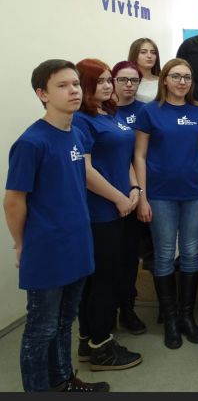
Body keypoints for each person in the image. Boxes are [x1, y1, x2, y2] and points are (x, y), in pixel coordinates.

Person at [3, 59, 109, 391]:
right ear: (42, 94)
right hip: (46, 250)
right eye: (62, 86)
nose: (73, 90)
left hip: (77, 244)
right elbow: (13, 201)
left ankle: (64, 381)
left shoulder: (76, 133)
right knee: (41, 329)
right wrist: (21, 244)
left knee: (65, 323)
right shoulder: (32, 142)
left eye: (75, 83)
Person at [133, 58, 198, 349]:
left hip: (195, 193)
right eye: (176, 76)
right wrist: (142, 196)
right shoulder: (149, 111)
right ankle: (170, 319)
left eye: (187, 77)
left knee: (191, 252)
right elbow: (139, 156)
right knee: (165, 254)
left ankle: (186, 316)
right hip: (160, 195)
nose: (182, 82)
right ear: (165, 80)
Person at [72, 58, 143, 371]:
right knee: (102, 280)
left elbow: (123, 157)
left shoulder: (110, 113)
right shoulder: (81, 120)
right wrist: (119, 199)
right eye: (99, 80)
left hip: (122, 206)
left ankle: (88, 340)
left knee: (108, 275)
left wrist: (135, 188)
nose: (107, 85)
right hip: (100, 211)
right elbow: (86, 171)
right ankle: (100, 346)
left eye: (107, 79)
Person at [111, 60, 148, 335]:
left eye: (134, 80)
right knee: (107, 257)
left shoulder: (145, 110)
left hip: (137, 191)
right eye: (122, 79)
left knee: (129, 255)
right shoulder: (102, 111)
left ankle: (127, 308)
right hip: (106, 192)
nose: (128, 85)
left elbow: (141, 155)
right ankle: (103, 313)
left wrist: (139, 192)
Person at [128, 37, 162, 103]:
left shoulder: (163, 81)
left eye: (153, 52)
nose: (149, 56)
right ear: (134, 55)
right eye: (143, 52)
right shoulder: (127, 82)